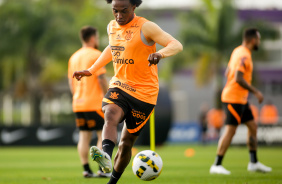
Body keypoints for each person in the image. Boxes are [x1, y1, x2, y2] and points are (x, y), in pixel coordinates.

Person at [73, 0, 183, 183]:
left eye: (123, 11)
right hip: (120, 85)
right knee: (110, 114)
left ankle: (112, 181)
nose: (119, 16)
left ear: (133, 7)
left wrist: (160, 54)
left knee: (125, 144)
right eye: (115, 11)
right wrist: (91, 70)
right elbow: (112, 48)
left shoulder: (146, 27)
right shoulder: (112, 27)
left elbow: (176, 44)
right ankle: (105, 156)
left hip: (144, 94)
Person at [209, 28, 272, 175]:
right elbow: (238, 77)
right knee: (231, 130)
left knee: (252, 126)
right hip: (233, 99)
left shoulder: (237, 51)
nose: (259, 42)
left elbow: (227, 72)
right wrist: (256, 91)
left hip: (240, 99)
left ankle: (254, 162)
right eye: (259, 39)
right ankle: (216, 165)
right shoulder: (244, 54)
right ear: (252, 40)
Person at [68, 26, 109, 178]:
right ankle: (101, 169)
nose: (97, 40)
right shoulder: (96, 54)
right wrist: (108, 97)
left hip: (78, 103)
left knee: (84, 137)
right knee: (102, 135)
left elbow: (71, 82)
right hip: (95, 103)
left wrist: (77, 97)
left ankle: (86, 169)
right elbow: (101, 79)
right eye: (97, 38)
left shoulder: (73, 57)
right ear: (92, 38)